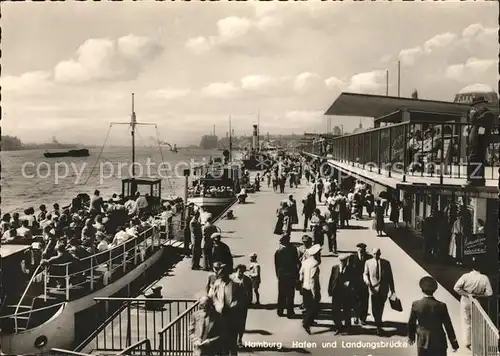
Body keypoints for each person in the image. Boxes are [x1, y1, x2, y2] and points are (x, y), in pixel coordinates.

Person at [408, 276, 459, 356]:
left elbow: (411, 323)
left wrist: (411, 337)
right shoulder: (442, 305)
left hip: (423, 341)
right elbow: (448, 325)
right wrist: (454, 343)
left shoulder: (416, 304)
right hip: (439, 341)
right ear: (435, 290)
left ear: (421, 289)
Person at [453, 259, 493, 349]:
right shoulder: (484, 278)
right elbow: (489, 293)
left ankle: (468, 342)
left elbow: (456, 287)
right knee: (478, 322)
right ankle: (478, 342)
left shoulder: (465, 276)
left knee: (466, 321)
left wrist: (466, 294)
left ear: (472, 267)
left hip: (465, 300)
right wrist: (479, 294)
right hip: (478, 301)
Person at [208, 266, 240, 356]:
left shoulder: (236, 285)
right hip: (220, 314)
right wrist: (217, 305)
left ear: (228, 275)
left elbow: (240, 299)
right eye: (220, 276)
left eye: (224, 276)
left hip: (232, 314)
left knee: (232, 339)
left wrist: (234, 305)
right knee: (221, 338)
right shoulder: (217, 283)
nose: (222, 278)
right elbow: (212, 296)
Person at [363, 247, 395, 335]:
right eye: (374, 254)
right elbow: (365, 274)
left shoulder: (386, 263)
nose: (376, 256)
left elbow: (390, 277)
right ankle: (378, 323)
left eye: (377, 254)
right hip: (373, 289)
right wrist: (367, 281)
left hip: (384, 289)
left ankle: (378, 322)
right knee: (374, 307)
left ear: (380, 254)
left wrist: (393, 290)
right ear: (372, 254)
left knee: (381, 306)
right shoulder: (368, 263)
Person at [465, 95, 495, 186]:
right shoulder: (479, 115)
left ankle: (475, 180)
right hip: (474, 142)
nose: (475, 108)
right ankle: (475, 179)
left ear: (482, 105)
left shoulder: (487, 114)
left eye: (477, 106)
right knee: (473, 159)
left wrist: (473, 116)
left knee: (476, 160)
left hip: (480, 142)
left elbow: (476, 121)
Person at [328, 253, 354, 335]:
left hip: (346, 293)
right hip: (336, 292)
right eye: (341, 261)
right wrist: (330, 290)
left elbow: (355, 280)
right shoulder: (335, 268)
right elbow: (331, 279)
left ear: (347, 261)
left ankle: (348, 327)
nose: (343, 262)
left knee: (347, 311)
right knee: (335, 311)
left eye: (344, 261)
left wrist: (350, 283)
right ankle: (338, 327)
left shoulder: (351, 269)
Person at [274, 234, 299, 318]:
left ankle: (280, 311)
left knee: (281, 293)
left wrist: (278, 275)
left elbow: (276, 265)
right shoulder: (293, 250)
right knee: (290, 294)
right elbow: (296, 263)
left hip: (282, 275)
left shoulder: (278, 252)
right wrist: (297, 275)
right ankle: (290, 312)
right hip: (291, 274)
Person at [300, 244, 321, 334]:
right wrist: (314, 293)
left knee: (308, 305)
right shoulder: (315, 264)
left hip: (305, 286)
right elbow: (313, 280)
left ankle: (309, 321)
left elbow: (301, 273)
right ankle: (306, 323)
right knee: (314, 307)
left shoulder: (305, 262)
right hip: (311, 288)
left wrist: (303, 281)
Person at [349, 243, 372, 325]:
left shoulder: (369, 258)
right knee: (355, 300)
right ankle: (355, 316)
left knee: (364, 301)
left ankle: (363, 318)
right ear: (357, 250)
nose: (360, 251)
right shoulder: (352, 258)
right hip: (355, 284)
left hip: (364, 283)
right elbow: (349, 271)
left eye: (362, 250)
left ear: (365, 250)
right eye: (359, 250)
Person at [231, 265, 253, 347]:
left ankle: (239, 339)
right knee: (233, 323)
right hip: (233, 304)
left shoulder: (247, 280)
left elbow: (250, 292)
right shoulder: (232, 278)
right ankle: (233, 339)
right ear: (236, 270)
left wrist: (249, 302)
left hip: (243, 305)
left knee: (242, 323)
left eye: (242, 271)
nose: (240, 273)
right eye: (239, 271)